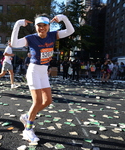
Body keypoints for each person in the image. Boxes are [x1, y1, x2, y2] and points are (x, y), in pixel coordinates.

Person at [11, 13, 74, 142]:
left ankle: (27, 116)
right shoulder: (31, 38)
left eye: (44, 25)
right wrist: (17, 24)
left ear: (48, 26)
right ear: (35, 27)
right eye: (39, 26)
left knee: (48, 101)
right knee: (37, 102)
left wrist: (63, 18)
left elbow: (71, 31)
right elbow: (14, 43)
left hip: (43, 72)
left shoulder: (52, 35)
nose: (42, 28)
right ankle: (28, 129)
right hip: (34, 71)